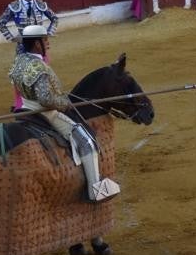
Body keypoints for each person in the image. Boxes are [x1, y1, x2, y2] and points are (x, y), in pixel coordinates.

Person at [10, 25, 120, 203]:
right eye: (45, 40)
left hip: (24, 108)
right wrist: (64, 102)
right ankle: (96, 190)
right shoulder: (38, 67)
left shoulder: (20, 61)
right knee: (85, 139)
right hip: (44, 112)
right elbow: (45, 99)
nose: (48, 43)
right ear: (37, 44)